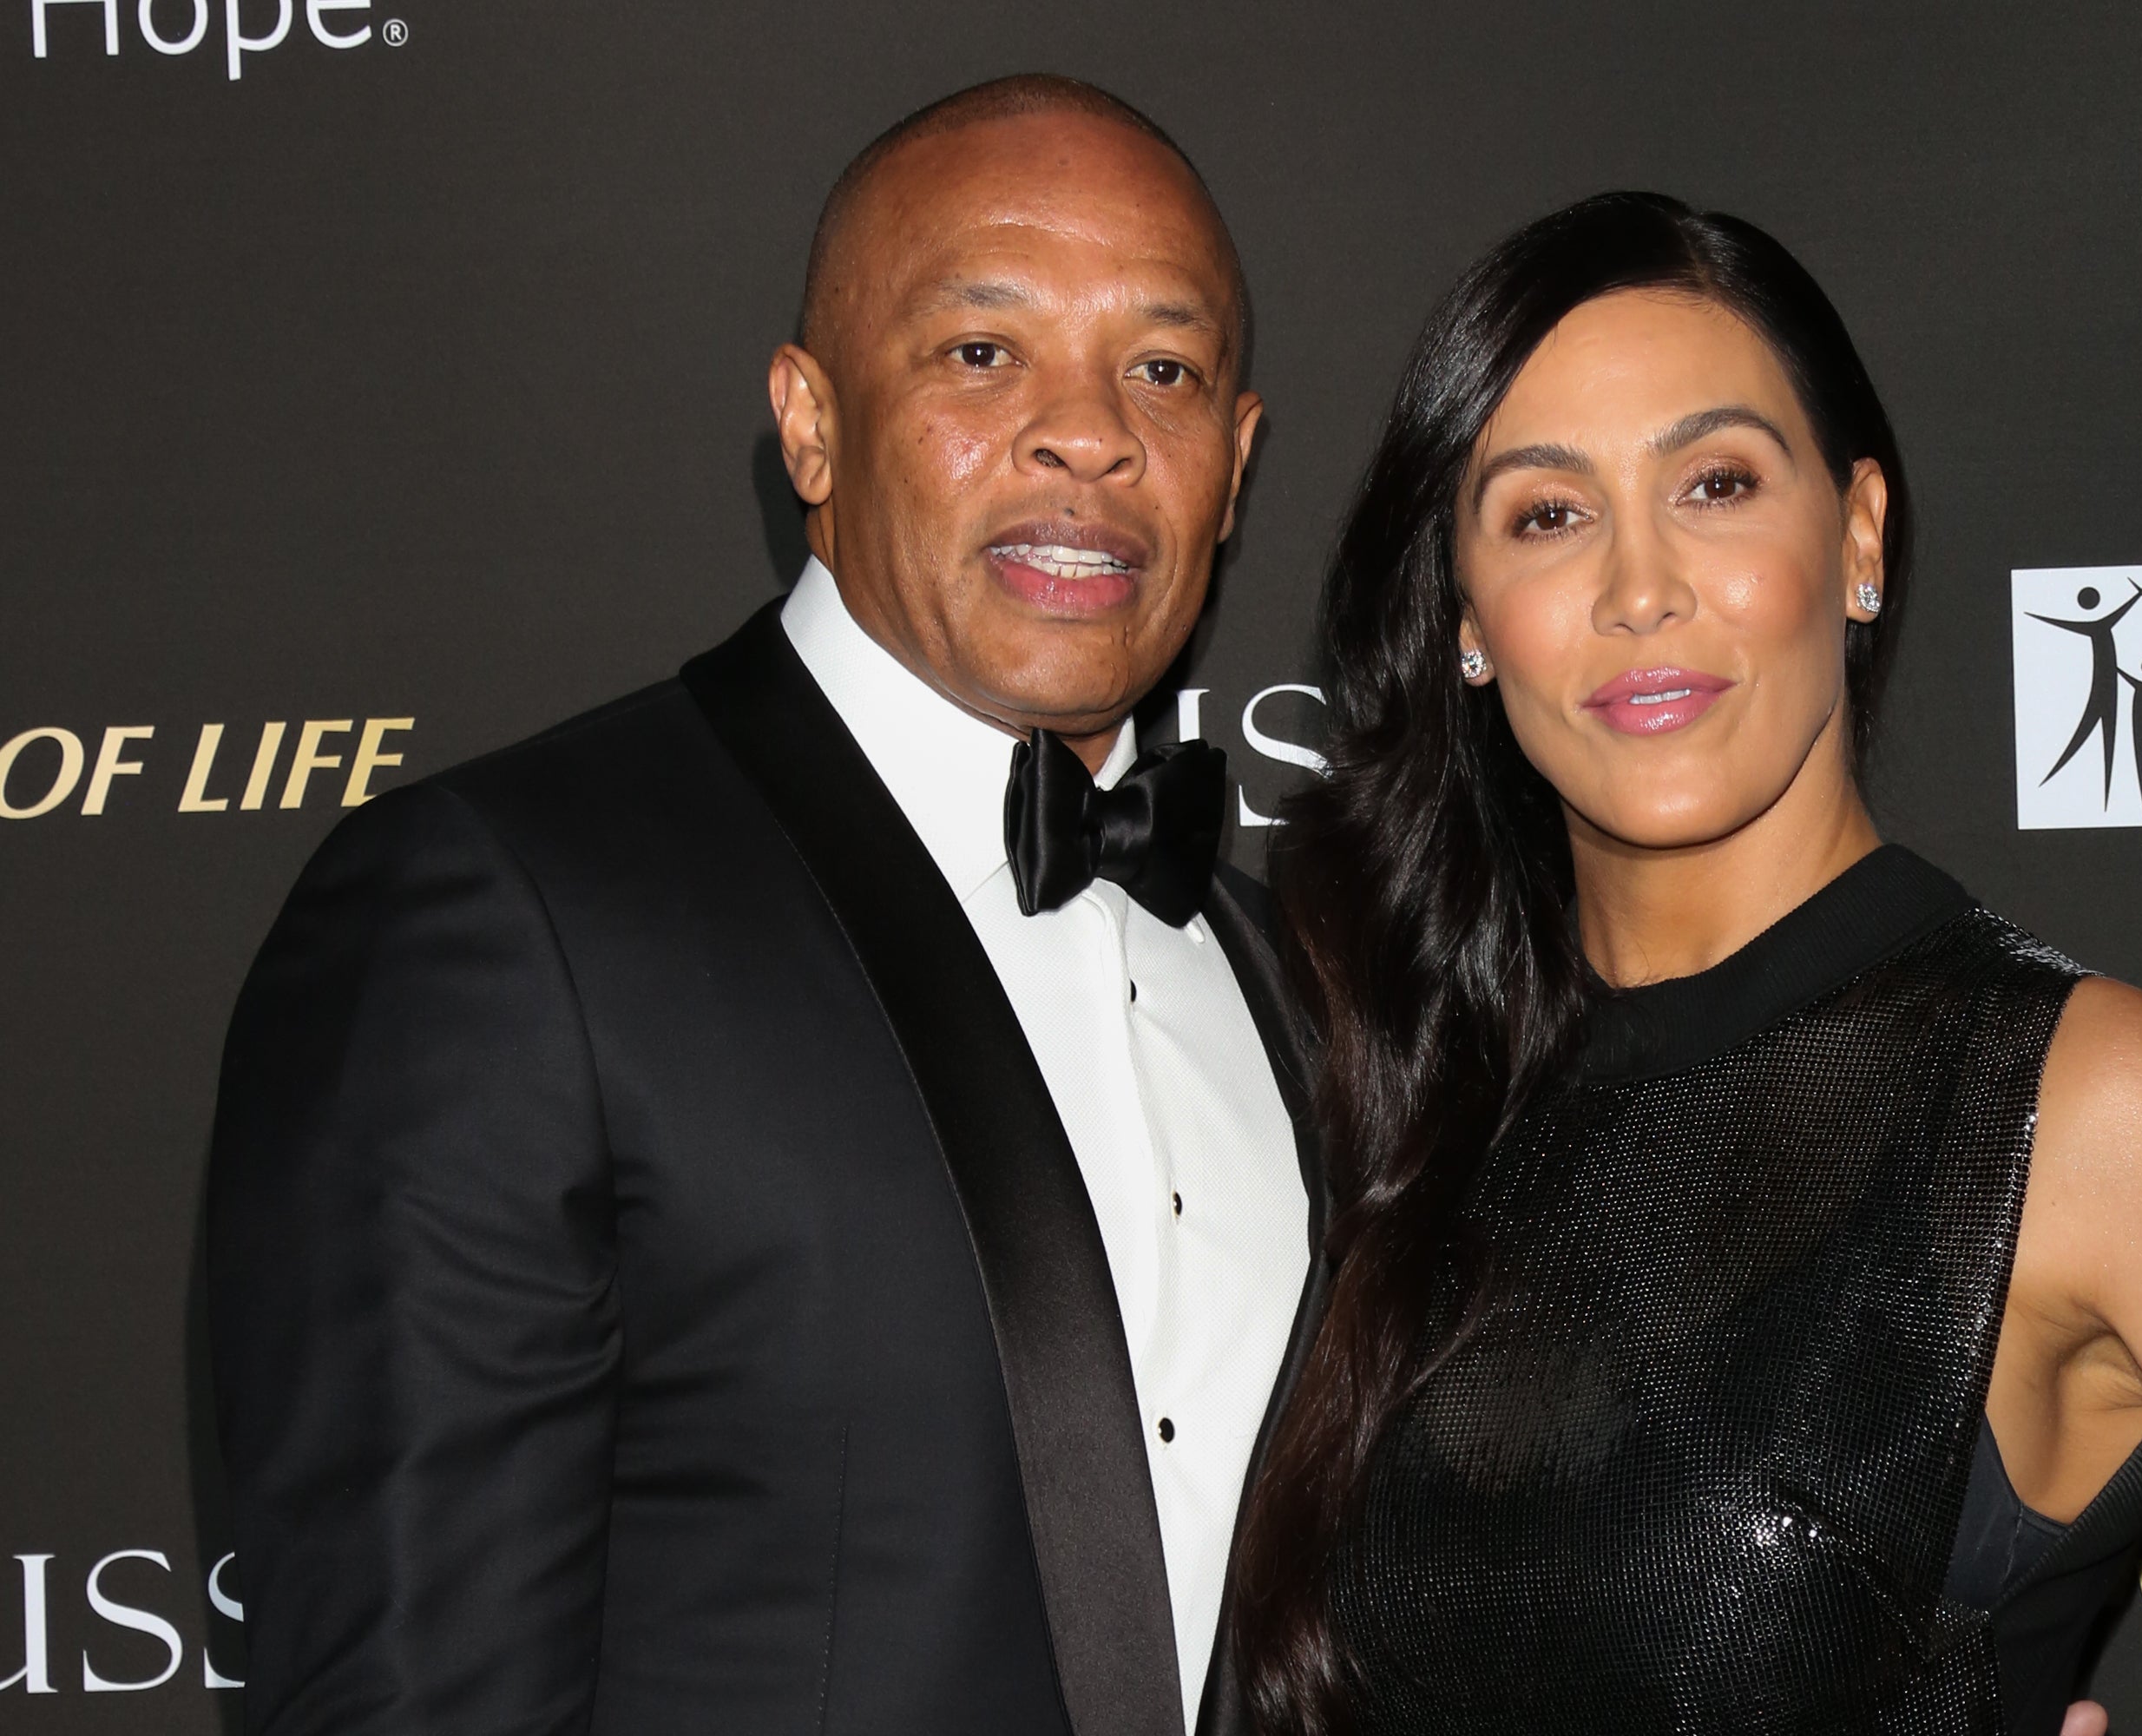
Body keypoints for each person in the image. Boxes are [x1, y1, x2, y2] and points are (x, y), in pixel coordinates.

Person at [1232, 191, 2142, 1735]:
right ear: (1471, 618)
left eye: (1716, 484)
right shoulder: (1415, 1090)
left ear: (1858, 536)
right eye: (1548, 514)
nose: (1639, 588)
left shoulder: (2072, 1106)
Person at [207, 75, 1319, 1736]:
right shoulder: (511, 917)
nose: (1088, 433)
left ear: (1232, 466)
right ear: (810, 423)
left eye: (1163, 370)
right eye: (982, 351)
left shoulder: (1282, 977)